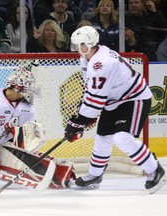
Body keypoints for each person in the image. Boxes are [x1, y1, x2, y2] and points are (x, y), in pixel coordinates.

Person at [64, 26, 166, 193]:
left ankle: (155, 169)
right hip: (113, 100)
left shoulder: (101, 63)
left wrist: (79, 121)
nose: (76, 49)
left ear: (88, 44)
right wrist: (83, 115)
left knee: (122, 138)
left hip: (134, 98)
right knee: (103, 138)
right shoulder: (88, 57)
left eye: (79, 45)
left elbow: (96, 98)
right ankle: (95, 175)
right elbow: (91, 91)